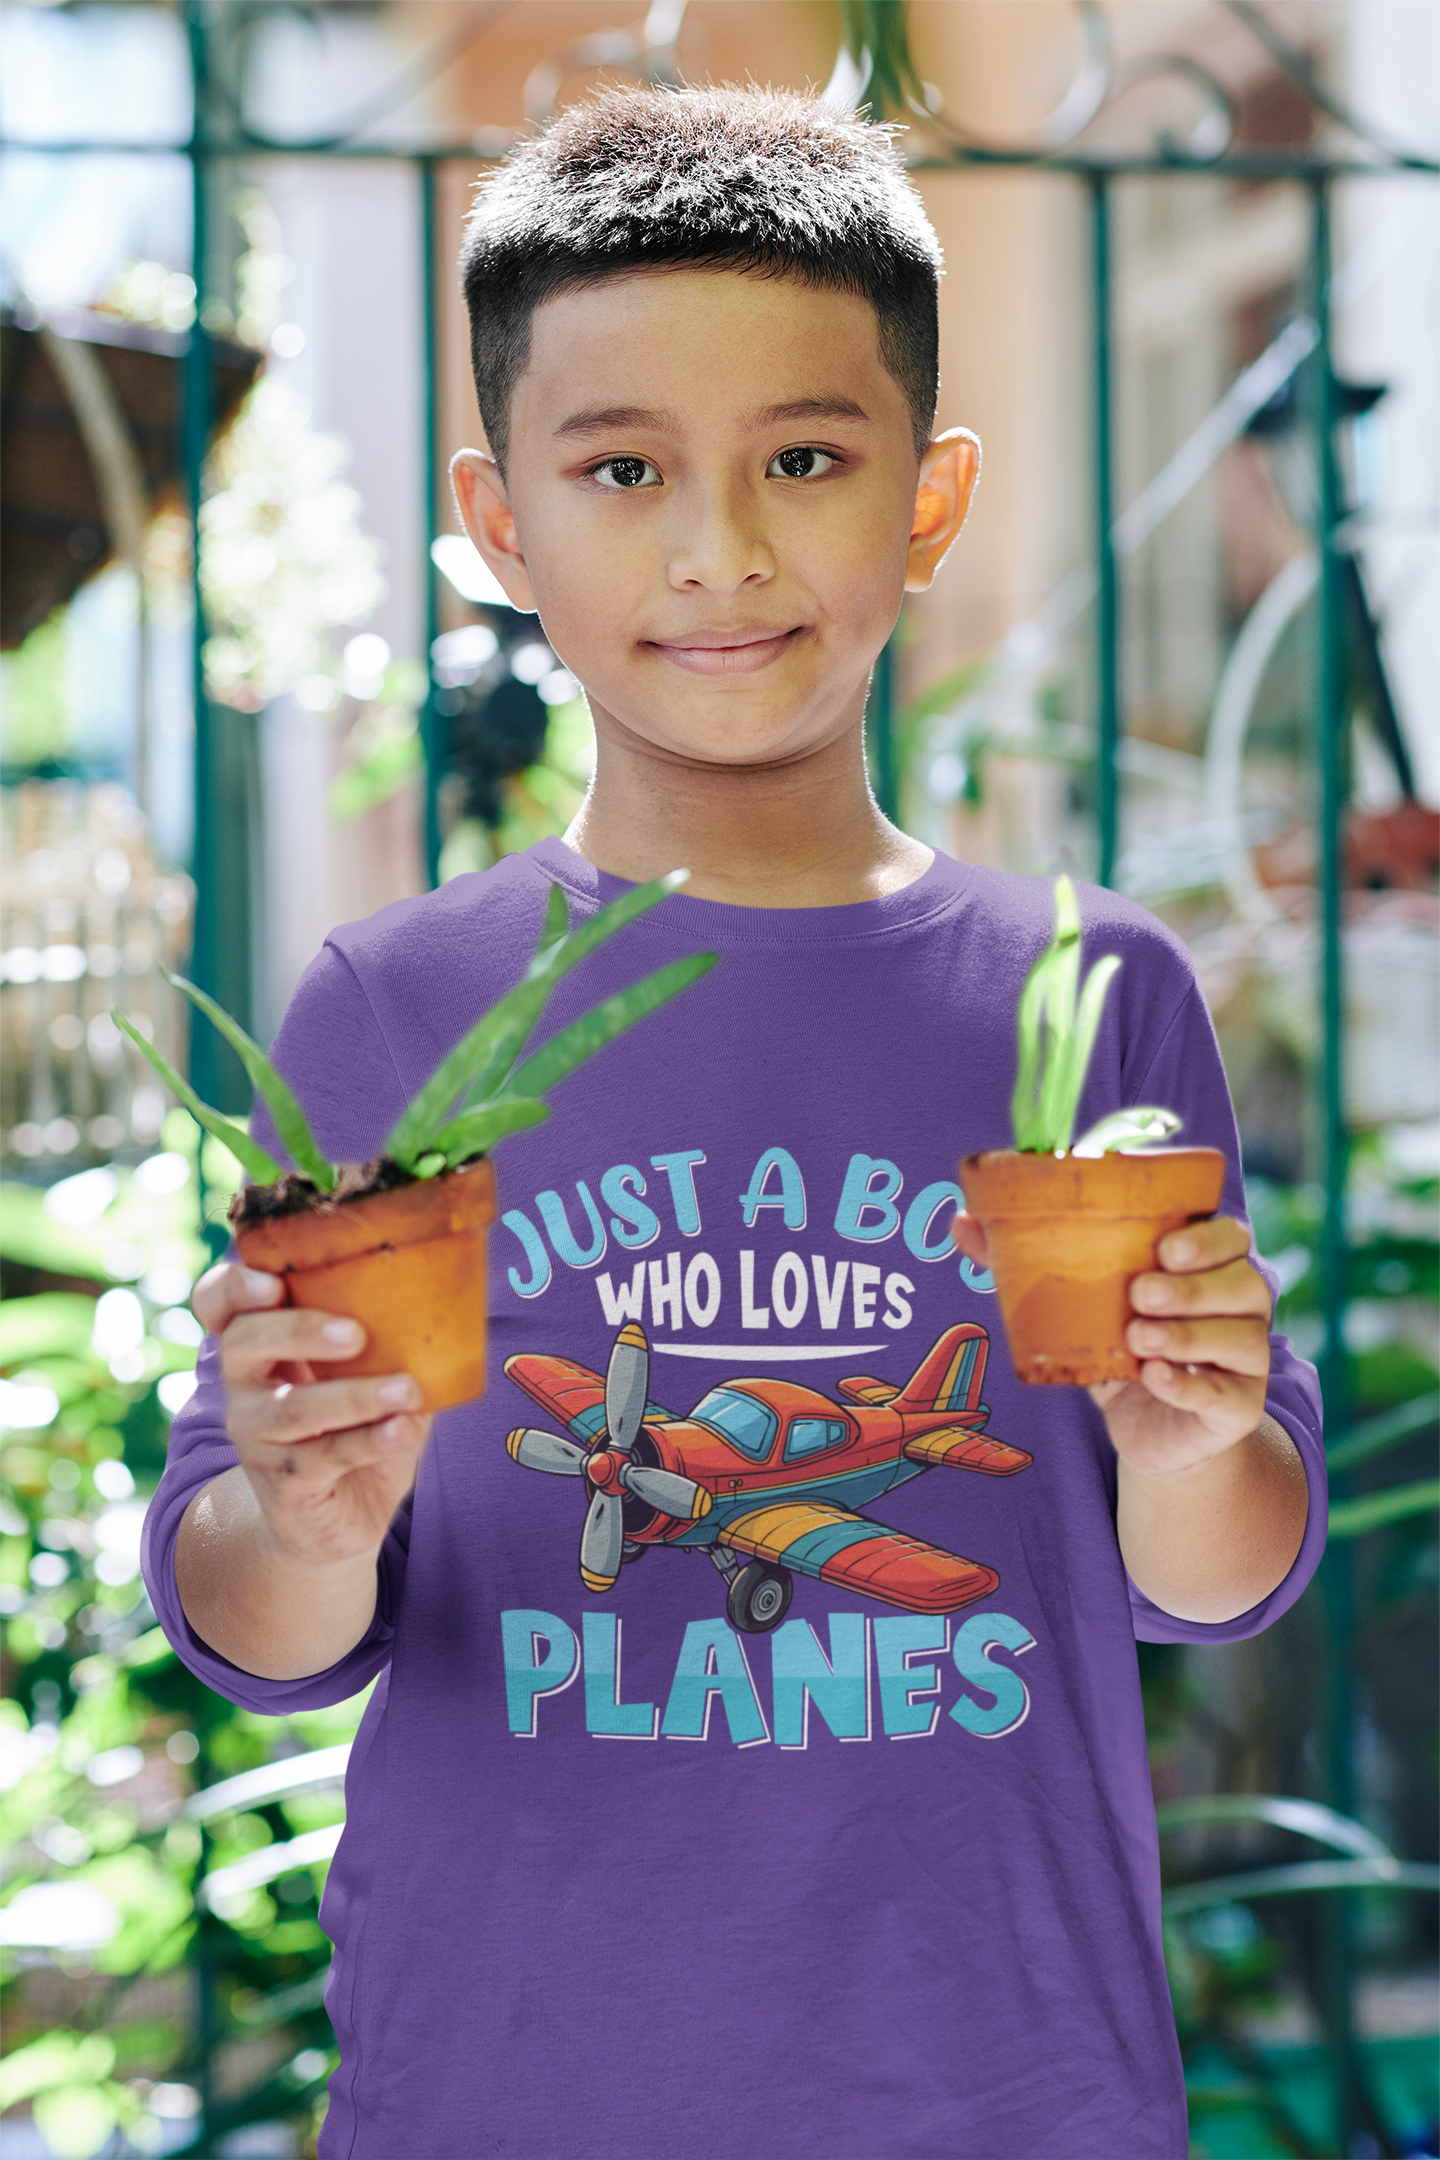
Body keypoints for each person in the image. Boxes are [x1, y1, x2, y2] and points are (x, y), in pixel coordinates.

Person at [143, 86, 1323, 2160]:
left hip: (1010, 2097)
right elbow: (253, 1630)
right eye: (621, 469)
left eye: (805, 457)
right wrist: (311, 1523)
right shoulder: (385, 1012)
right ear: (501, 521)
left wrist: (1196, 1437)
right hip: (510, 2097)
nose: (720, 548)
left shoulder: (1089, 997)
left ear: (930, 496)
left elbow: (1215, 1583)